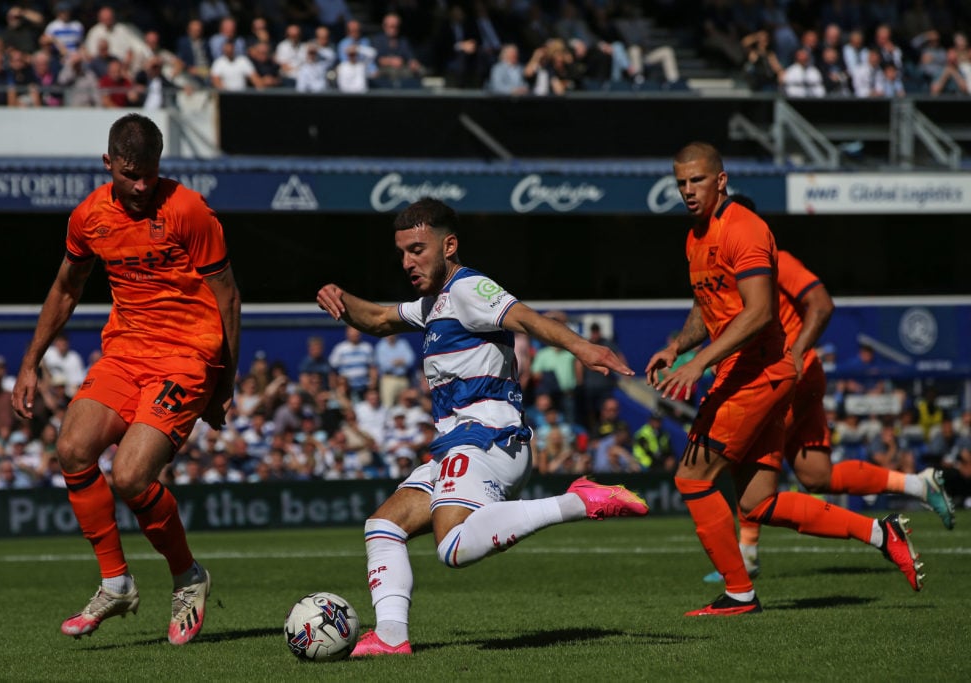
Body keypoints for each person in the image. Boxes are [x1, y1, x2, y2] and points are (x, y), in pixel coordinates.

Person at [315, 197, 648, 656]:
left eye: (418, 249)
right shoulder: (433, 305)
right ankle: (391, 637)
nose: (408, 262)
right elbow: (376, 319)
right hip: (457, 443)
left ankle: (578, 501)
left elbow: (527, 318)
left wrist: (582, 348)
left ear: (449, 245)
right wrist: (338, 296)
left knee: (452, 546)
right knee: (383, 526)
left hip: (489, 436)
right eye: (402, 253)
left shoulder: (470, 289)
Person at [645, 142, 924, 616]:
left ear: (721, 179)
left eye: (696, 181)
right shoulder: (695, 236)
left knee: (692, 478)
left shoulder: (746, 228)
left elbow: (758, 314)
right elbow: (708, 304)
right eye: (681, 183)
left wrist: (698, 363)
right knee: (756, 503)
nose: (687, 191)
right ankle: (882, 533)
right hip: (748, 372)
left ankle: (739, 593)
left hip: (756, 373)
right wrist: (678, 347)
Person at [10, 113, 240, 645]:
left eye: (151, 173)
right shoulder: (89, 216)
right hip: (125, 352)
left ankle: (188, 577)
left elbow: (227, 296)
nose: (142, 186)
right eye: (131, 174)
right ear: (108, 163)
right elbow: (66, 289)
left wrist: (223, 382)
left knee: (132, 476)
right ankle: (116, 583)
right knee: (72, 449)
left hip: (186, 355)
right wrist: (30, 362)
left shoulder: (187, 209)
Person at [700, 202, 955, 582]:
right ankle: (917, 484)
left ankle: (747, 556)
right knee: (816, 474)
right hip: (791, 375)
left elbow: (821, 303)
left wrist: (798, 352)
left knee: (746, 459)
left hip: (788, 375)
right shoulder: (726, 266)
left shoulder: (776, 260)